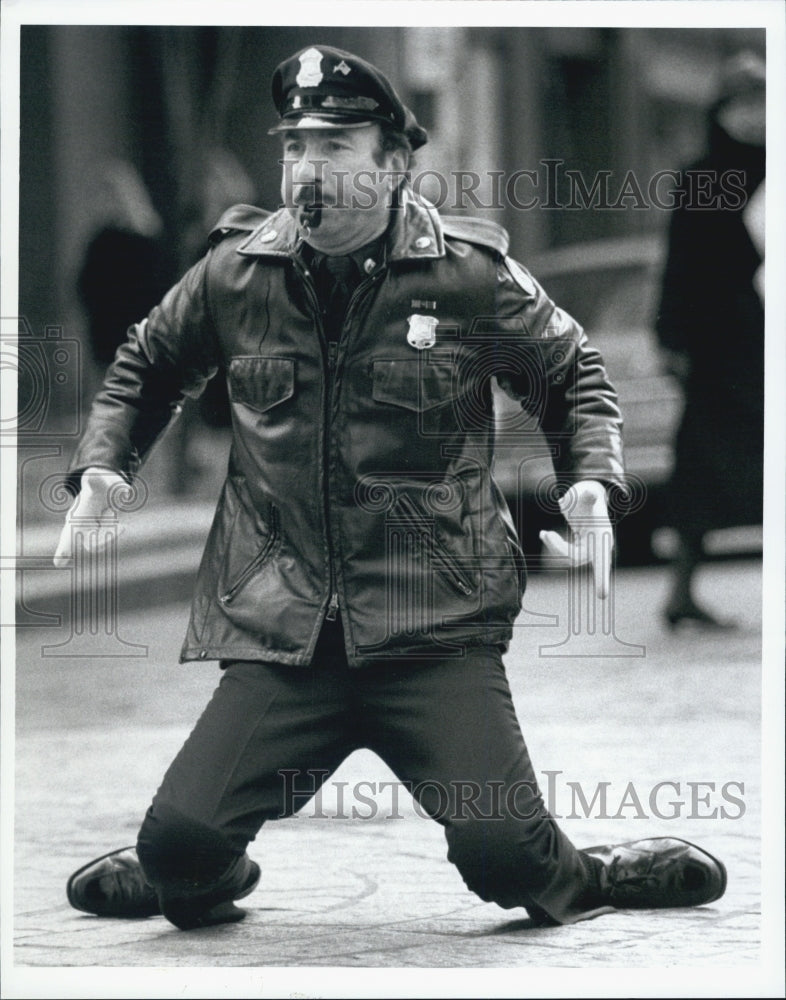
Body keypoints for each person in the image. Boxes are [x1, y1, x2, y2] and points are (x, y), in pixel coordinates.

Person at [56, 45, 726, 931]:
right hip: (287, 633)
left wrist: (590, 484)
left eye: (335, 147)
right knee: (180, 842)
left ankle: (598, 872)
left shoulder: (465, 276)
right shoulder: (236, 273)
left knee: (505, 863)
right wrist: (107, 465)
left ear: (394, 163)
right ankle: (190, 866)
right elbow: (145, 363)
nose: (307, 169)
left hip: (432, 628)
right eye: (295, 146)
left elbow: (573, 376)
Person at [655, 50, 766, 630]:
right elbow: (682, 264)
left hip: (763, 338)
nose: (755, 116)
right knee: (702, 469)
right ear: (721, 110)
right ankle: (680, 591)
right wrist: (671, 336)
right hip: (721, 347)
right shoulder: (703, 176)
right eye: (743, 104)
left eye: (764, 104)